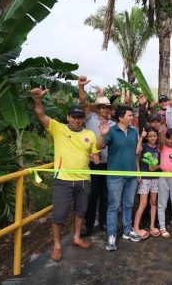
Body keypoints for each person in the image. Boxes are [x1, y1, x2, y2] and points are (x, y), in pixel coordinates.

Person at [31, 88, 99, 262]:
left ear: (83, 118)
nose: (76, 120)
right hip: (63, 180)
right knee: (59, 215)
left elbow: (94, 154)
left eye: (79, 117)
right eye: (73, 117)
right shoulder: (58, 128)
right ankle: (57, 245)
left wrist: (95, 157)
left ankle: (76, 237)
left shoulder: (89, 134)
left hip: (84, 180)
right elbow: (41, 115)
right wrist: (38, 100)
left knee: (81, 212)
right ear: (68, 117)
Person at [97, 105, 142, 251]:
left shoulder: (134, 132)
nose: (132, 117)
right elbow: (99, 146)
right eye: (129, 115)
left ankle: (127, 230)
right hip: (115, 176)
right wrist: (102, 135)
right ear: (121, 117)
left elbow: (135, 154)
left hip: (131, 176)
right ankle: (111, 236)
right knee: (114, 207)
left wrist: (137, 171)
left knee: (128, 204)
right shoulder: (111, 131)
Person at [77, 76, 116, 237]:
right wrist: (81, 88)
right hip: (92, 163)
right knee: (91, 195)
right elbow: (84, 103)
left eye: (107, 108)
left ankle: (105, 223)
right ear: (98, 109)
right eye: (102, 107)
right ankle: (89, 223)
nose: (105, 110)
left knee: (106, 194)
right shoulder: (90, 118)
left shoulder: (113, 124)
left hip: (108, 163)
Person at [133, 127, 161, 238]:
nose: (152, 138)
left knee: (154, 202)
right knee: (143, 203)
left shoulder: (159, 148)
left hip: (156, 178)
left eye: (154, 135)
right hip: (144, 178)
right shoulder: (144, 146)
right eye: (150, 136)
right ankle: (136, 228)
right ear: (147, 137)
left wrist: (157, 167)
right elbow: (136, 153)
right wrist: (141, 137)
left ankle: (152, 226)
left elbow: (161, 163)